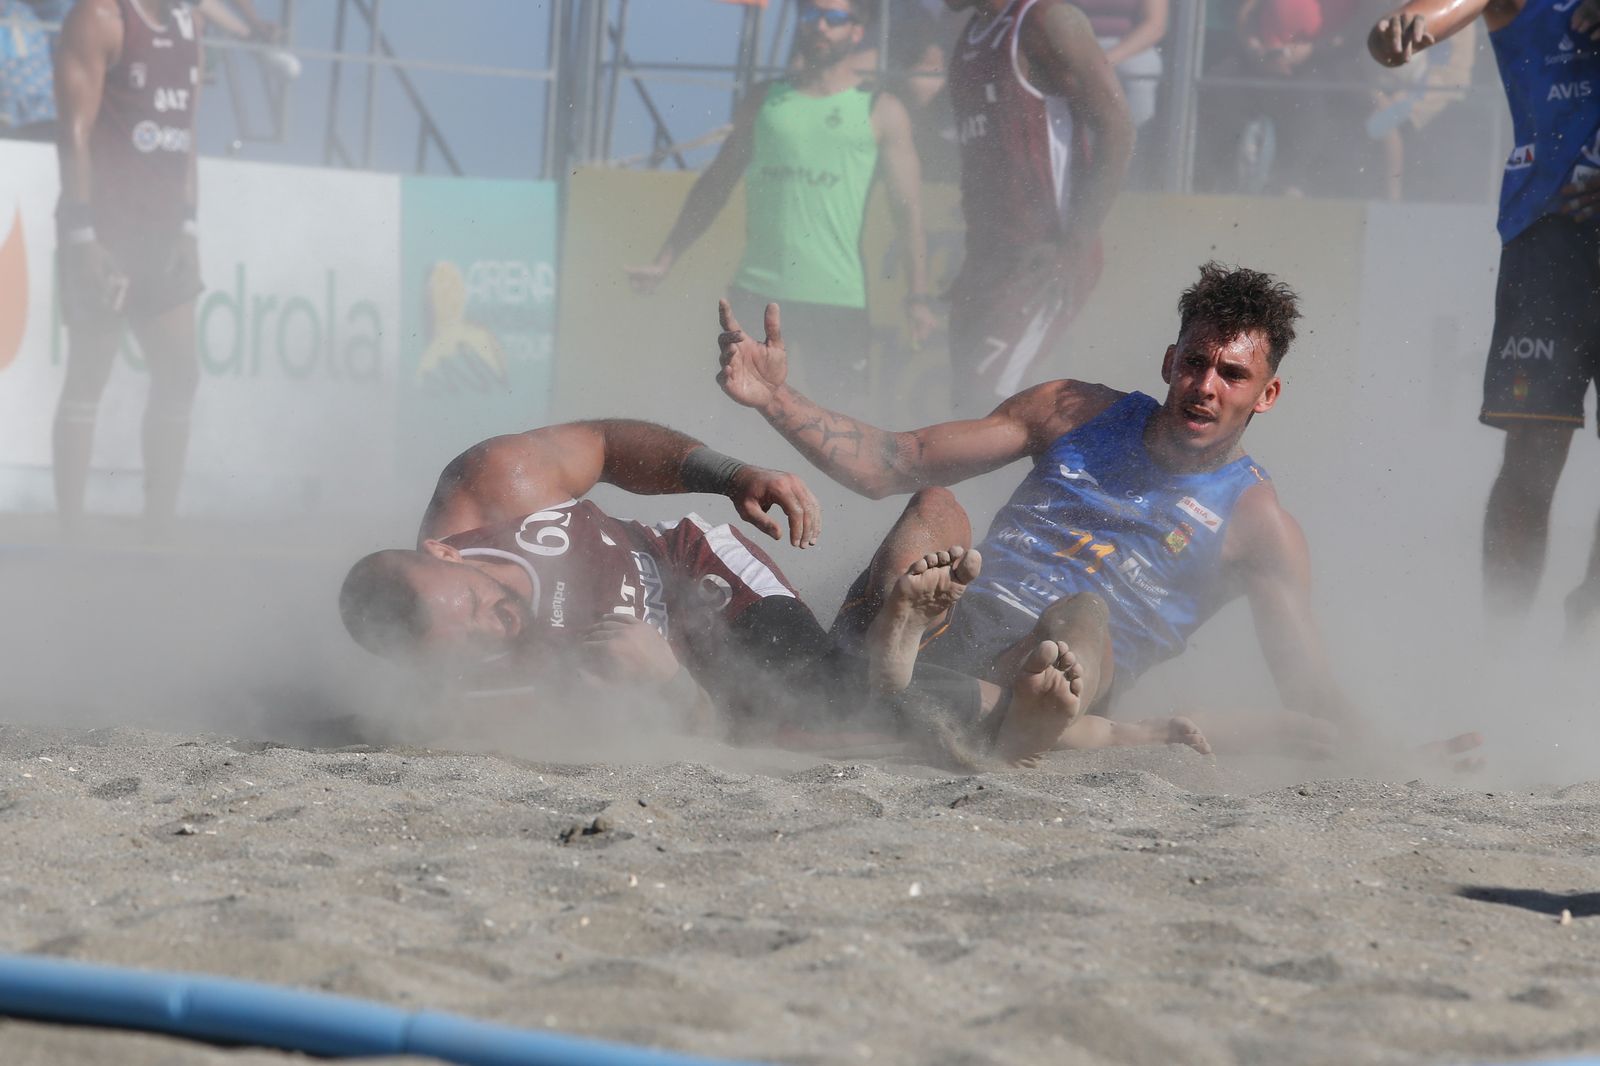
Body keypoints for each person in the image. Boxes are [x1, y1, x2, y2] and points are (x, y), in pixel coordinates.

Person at [716, 263, 1380, 754]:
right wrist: (774, 397)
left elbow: (1309, 687)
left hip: (1050, 676)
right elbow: (896, 461)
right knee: (936, 503)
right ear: (1169, 361)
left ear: (1266, 395)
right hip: (954, 620)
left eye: (1231, 375)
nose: (1205, 387)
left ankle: (963, 710)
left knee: (1085, 615)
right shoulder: (1074, 412)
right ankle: (888, 656)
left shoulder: (1260, 526)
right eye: (1195, 363)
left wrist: (1389, 756)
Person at [339, 419, 1212, 766]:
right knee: (792, 722)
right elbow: (691, 735)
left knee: (806, 696)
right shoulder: (475, 700)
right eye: (486, 639)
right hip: (674, 672)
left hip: (693, 570)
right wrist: (671, 688)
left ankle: (925, 669)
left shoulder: (493, 484)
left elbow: (604, 444)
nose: (504, 622)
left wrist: (727, 474)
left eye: (489, 603)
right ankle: (1075, 724)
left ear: (446, 552)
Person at [1368, 0, 1600, 640]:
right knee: (1532, 451)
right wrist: (1404, 30)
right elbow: (1426, 18)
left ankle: (1586, 629)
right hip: (1549, 240)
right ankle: (1498, 650)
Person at [626, 0, 936, 411]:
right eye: (811, 16)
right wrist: (666, 259)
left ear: (857, 32)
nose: (821, 26)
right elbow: (714, 185)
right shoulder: (763, 100)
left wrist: (917, 297)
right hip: (758, 292)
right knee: (738, 425)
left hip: (838, 300)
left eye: (835, 18)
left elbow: (908, 212)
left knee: (843, 427)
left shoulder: (881, 110)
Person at [51, 0, 203, 538]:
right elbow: (72, 133)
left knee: (181, 373)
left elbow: (187, 133)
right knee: (89, 374)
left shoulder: (190, 22)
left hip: (164, 231)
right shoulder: (100, 16)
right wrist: (81, 235)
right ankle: (71, 529)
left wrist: (189, 225)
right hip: (105, 228)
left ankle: (158, 525)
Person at [940, 0, 1134, 416]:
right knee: (964, 406)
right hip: (990, 262)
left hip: (1043, 261)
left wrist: (1074, 246)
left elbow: (1117, 127)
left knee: (989, 409)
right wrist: (972, 262)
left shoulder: (1046, 20)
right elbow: (982, 168)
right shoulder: (970, 35)